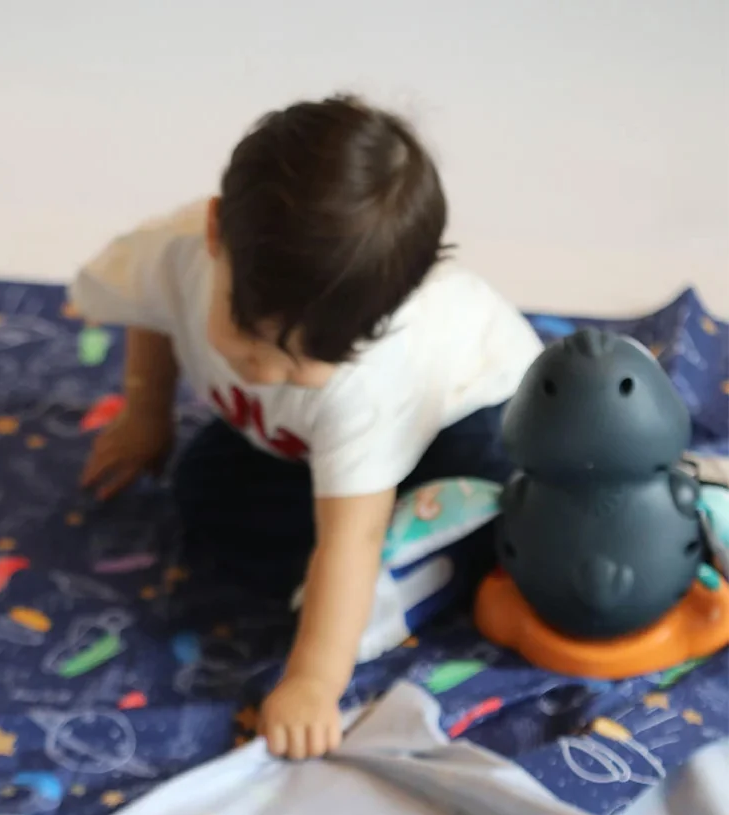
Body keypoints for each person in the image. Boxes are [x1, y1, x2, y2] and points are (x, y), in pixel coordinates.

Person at [73, 94, 542, 760]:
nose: (268, 371)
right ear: (215, 234)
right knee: (203, 489)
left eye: (311, 358)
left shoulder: (374, 376)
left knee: (506, 494)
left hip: (472, 421)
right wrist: (146, 414)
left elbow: (352, 535)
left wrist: (314, 681)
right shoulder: (173, 250)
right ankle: (380, 574)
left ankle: (431, 560)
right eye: (250, 337)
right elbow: (148, 309)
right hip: (305, 445)